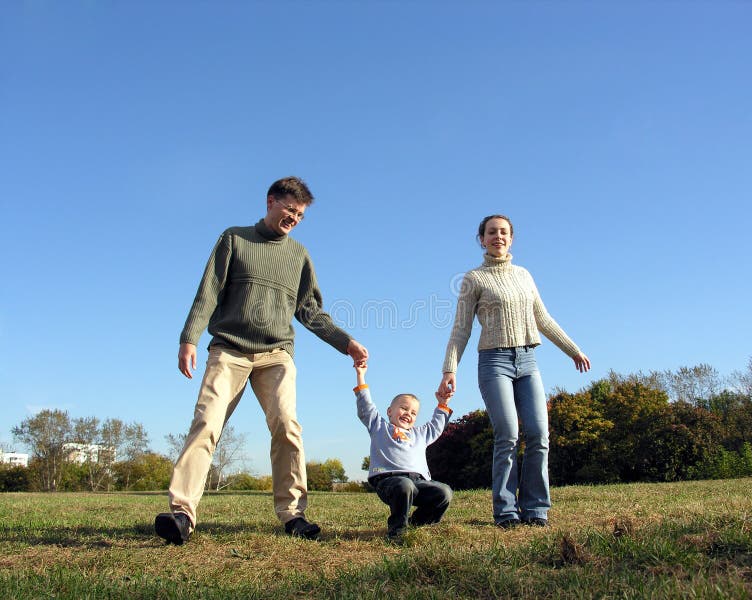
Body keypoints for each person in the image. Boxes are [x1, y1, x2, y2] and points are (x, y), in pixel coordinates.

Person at [154, 176, 369, 545]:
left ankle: (294, 515)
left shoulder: (299, 255)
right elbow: (208, 291)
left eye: (301, 215)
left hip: (276, 354)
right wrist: (189, 337)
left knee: (287, 426)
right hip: (229, 349)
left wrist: (345, 342)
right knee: (207, 422)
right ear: (270, 201)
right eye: (290, 209)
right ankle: (182, 515)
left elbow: (310, 311)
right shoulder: (234, 239)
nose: (294, 218)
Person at [437, 214, 590, 529]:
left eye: (503, 232)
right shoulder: (474, 278)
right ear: (482, 239)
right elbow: (461, 328)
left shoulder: (524, 275)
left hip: (528, 360)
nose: (498, 237)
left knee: (538, 433)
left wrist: (574, 350)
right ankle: (506, 511)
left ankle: (535, 509)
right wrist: (449, 369)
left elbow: (543, 319)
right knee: (507, 433)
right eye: (491, 232)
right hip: (494, 362)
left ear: (511, 238)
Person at [354, 361, 454, 543]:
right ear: (390, 411)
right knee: (404, 485)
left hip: (419, 482)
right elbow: (366, 407)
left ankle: (418, 524)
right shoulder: (379, 427)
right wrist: (361, 376)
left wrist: (443, 403)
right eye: (404, 408)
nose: (409, 413)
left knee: (444, 492)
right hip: (390, 481)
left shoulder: (420, 434)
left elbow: (437, 426)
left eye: (414, 413)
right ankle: (397, 531)